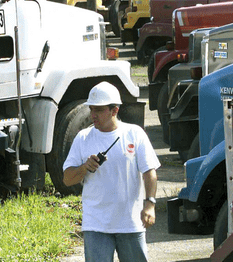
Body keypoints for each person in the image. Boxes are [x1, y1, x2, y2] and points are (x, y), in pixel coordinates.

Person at [63, 81, 160, 262]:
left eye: (98, 110)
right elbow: (67, 179)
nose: (93, 115)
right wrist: (84, 167)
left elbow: (150, 172)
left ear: (114, 110)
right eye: (91, 109)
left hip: (130, 223)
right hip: (96, 224)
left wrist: (150, 204)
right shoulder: (83, 138)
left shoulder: (134, 134)